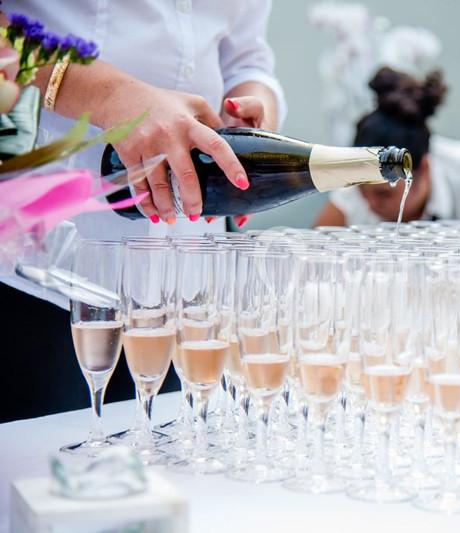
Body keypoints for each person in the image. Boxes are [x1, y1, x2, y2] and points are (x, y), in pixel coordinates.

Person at [0, 0, 285, 422]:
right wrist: (114, 97)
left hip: (187, 281)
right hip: (40, 265)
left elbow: (246, 56)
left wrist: (254, 112)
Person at [314, 67, 460, 226]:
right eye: (361, 191)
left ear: (423, 169)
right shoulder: (361, 189)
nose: (369, 204)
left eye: (383, 194)